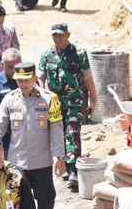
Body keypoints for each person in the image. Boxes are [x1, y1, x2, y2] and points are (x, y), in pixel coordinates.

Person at [0, 62, 66, 209]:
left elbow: (57, 129)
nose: (23, 84)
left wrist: (60, 157)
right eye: (19, 80)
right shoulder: (9, 100)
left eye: (26, 80)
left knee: (45, 200)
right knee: (19, 203)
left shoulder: (50, 99)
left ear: (35, 78)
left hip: (42, 161)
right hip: (17, 163)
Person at [37, 22, 97, 185]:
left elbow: (87, 78)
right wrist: (42, 98)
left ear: (68, 35)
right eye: (54, 35)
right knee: (58, 133)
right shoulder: (46, 54)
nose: (58, 38)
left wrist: (94, 99)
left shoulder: (78, 54)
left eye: (60, 35)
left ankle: (73, 170)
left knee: (72, 132)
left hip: (74, 101)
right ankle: (62, 165)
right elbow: (41, 79)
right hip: (54, 102)